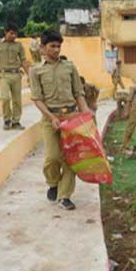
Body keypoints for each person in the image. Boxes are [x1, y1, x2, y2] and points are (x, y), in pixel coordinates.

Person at [30, 30, 93, 210]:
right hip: (50, 119)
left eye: (59, 46)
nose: (56, 50)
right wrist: (51, 117)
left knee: (70, 159)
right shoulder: (36, 71)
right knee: (53, 157)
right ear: (43, 47)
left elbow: (78, 93)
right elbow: (36, 98)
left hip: (71, 117)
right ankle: (53, 182)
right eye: (52, 46)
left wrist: (86, 112)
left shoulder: (69, 67)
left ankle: (65, 196)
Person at [0, 23, 30, 130]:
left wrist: (29, 75)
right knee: (5, 98)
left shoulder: (19, 46)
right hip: (4, 75)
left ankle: (16, 121)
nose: (14, 36)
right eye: (11, 33)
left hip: (16, 75)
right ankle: (7, 120)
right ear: (5, 32)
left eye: (15, 34)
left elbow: (23, 61)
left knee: (17, 100)